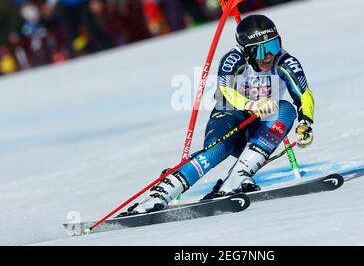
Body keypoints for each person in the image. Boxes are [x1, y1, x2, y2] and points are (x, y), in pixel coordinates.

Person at [130, 15, 315, 213]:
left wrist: (306, 123)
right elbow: (225, 91)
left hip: (259, 133)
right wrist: (252, 105)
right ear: (247, 50)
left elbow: (304, 94)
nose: (269, 55)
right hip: (229, 117)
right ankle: (161, 193)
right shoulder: (233, 59)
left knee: (285, 109)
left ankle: (238, 175)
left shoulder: (285, 61)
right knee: (217, 151)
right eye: (262, 50)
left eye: (274, 45)